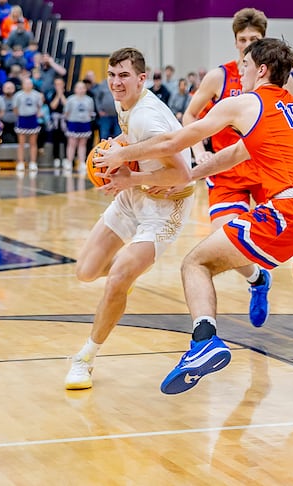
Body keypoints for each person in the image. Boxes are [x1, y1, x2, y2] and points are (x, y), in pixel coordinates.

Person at [96, 38, 293, 396]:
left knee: (196, 263)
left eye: (244, 64)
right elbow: (234, 154)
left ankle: (204, 340)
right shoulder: (289, 106)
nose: (239, 70)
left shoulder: (245, 102)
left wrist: (124, 156)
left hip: (292, 206)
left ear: (261, 69)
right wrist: (188, 176)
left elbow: (173, 141)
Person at [63, 47, 195, 390]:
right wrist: (115, 151)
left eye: (124, 75)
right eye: (111, 75)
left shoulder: (146, 116)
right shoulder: (128, 107)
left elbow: (182, 174)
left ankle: (85, 358)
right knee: (86, 270)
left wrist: (130, 177)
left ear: (141, 78)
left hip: (166, 206)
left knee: (117, 277)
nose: (116, 82)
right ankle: (127, 272)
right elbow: (135, 143)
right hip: (133, 195)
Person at [182, 8, 291, 328]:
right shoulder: (220, 76)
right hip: (227, 169)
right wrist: (199, 151)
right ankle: (258, 278)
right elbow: (190, 117)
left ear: (264, 40)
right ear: (234, 42)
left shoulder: (280, 79)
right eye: (242, 40)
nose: (246, 45)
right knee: (223, 236)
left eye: (253, 40)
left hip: (266, 168)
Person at [63, 81, 95, 175]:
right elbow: (66, 112)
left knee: (82, 143)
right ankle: (69, 162)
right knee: (72, 143)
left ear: (85, 89)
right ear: (75, 89)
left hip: (84, 123)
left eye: (83, 88)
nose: (81, 90)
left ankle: (81, 162)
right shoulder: (70, 99)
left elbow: (91, 112)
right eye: (79, 88)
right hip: (73, 122)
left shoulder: (89, 100)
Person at [13, 76, 43, 173]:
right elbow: (15, 109)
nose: (28, 85)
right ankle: (21, 162)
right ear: (22, 85)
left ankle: (33, 162)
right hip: (22, 119)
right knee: (21, 143)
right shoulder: (18, 95)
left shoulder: (37, 95)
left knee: (33, 142)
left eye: (30, 83)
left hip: (33, 119)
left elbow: (39, 107)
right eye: (26, 83)